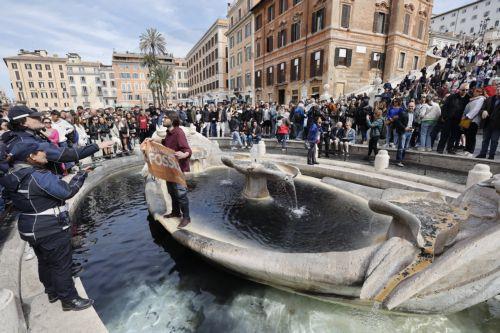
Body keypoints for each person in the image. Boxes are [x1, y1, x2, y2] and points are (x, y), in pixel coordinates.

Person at [3, 143, 94, 311]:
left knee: (44, 261)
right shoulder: (39, 176)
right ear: (31, 157)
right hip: (50, 227)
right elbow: (66, 192)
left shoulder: (12, 175)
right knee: (61, 264)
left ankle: (52, 291)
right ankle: (69, 299)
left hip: (30, 226)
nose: (45, 153)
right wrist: (81, 175)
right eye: (40, 151)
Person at [1, 106, 112, 175]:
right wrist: (97, 146)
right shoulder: (28, 142)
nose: (40, 119)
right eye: (34, 117)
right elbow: (66, 155)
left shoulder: (15, 137)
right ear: (22, 122)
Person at [161, 113, 192, 229]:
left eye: (165, 118)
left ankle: (186, 217)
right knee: (172, 192)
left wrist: (184, 154)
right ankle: (175, 212)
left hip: (177, 169)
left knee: (181, 194)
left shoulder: (179, 132)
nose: (163, 119)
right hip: (169, 168)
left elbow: (187, 149)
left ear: (172, 120)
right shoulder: (169, 133)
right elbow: (165, 146)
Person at [437, 83, 470, 155]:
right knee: (444, 134)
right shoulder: (452, 97)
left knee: (454, 135)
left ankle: (450, 149)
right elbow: (445, 107)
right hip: (449, 119)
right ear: (459, 89)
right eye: (463, 90)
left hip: (459, 120)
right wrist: (444, 116)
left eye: (467, 90)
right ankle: (440, 148)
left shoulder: (468, 98)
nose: (465, 91)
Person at [476, 84, 500, 160]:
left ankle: (491, 155)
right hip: (487, 123)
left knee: (494, 140)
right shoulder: (489, 99)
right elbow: (482, 109)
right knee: (485, 139)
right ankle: (482, 153)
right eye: (498, 90)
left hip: (497, 125)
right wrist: (483, 111)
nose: (498, 91)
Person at [462, 87, 486, 157]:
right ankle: (466, 150)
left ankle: (470, 151)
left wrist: (468, 116)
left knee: (472, 136)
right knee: (467, 134)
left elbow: (476, 109)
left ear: (480, 92)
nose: (475, 92)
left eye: (478, 91)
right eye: (475, 91)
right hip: (467, 119)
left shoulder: (481, 99)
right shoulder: (472, 99)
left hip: (473, 120)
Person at [393, 102, 416, 167]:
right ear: (407, 106)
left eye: (412, 106)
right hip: (403, 132)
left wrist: (413, 128)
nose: (411, 107)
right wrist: (404, 128)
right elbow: (398, 121)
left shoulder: (414, 114)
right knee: (401, 147)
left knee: (405, 147)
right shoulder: (402, 112)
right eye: (409, 106)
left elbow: (414, 122)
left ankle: (401, 160)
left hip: (410, 132)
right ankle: (398, 161)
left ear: (414, 107)